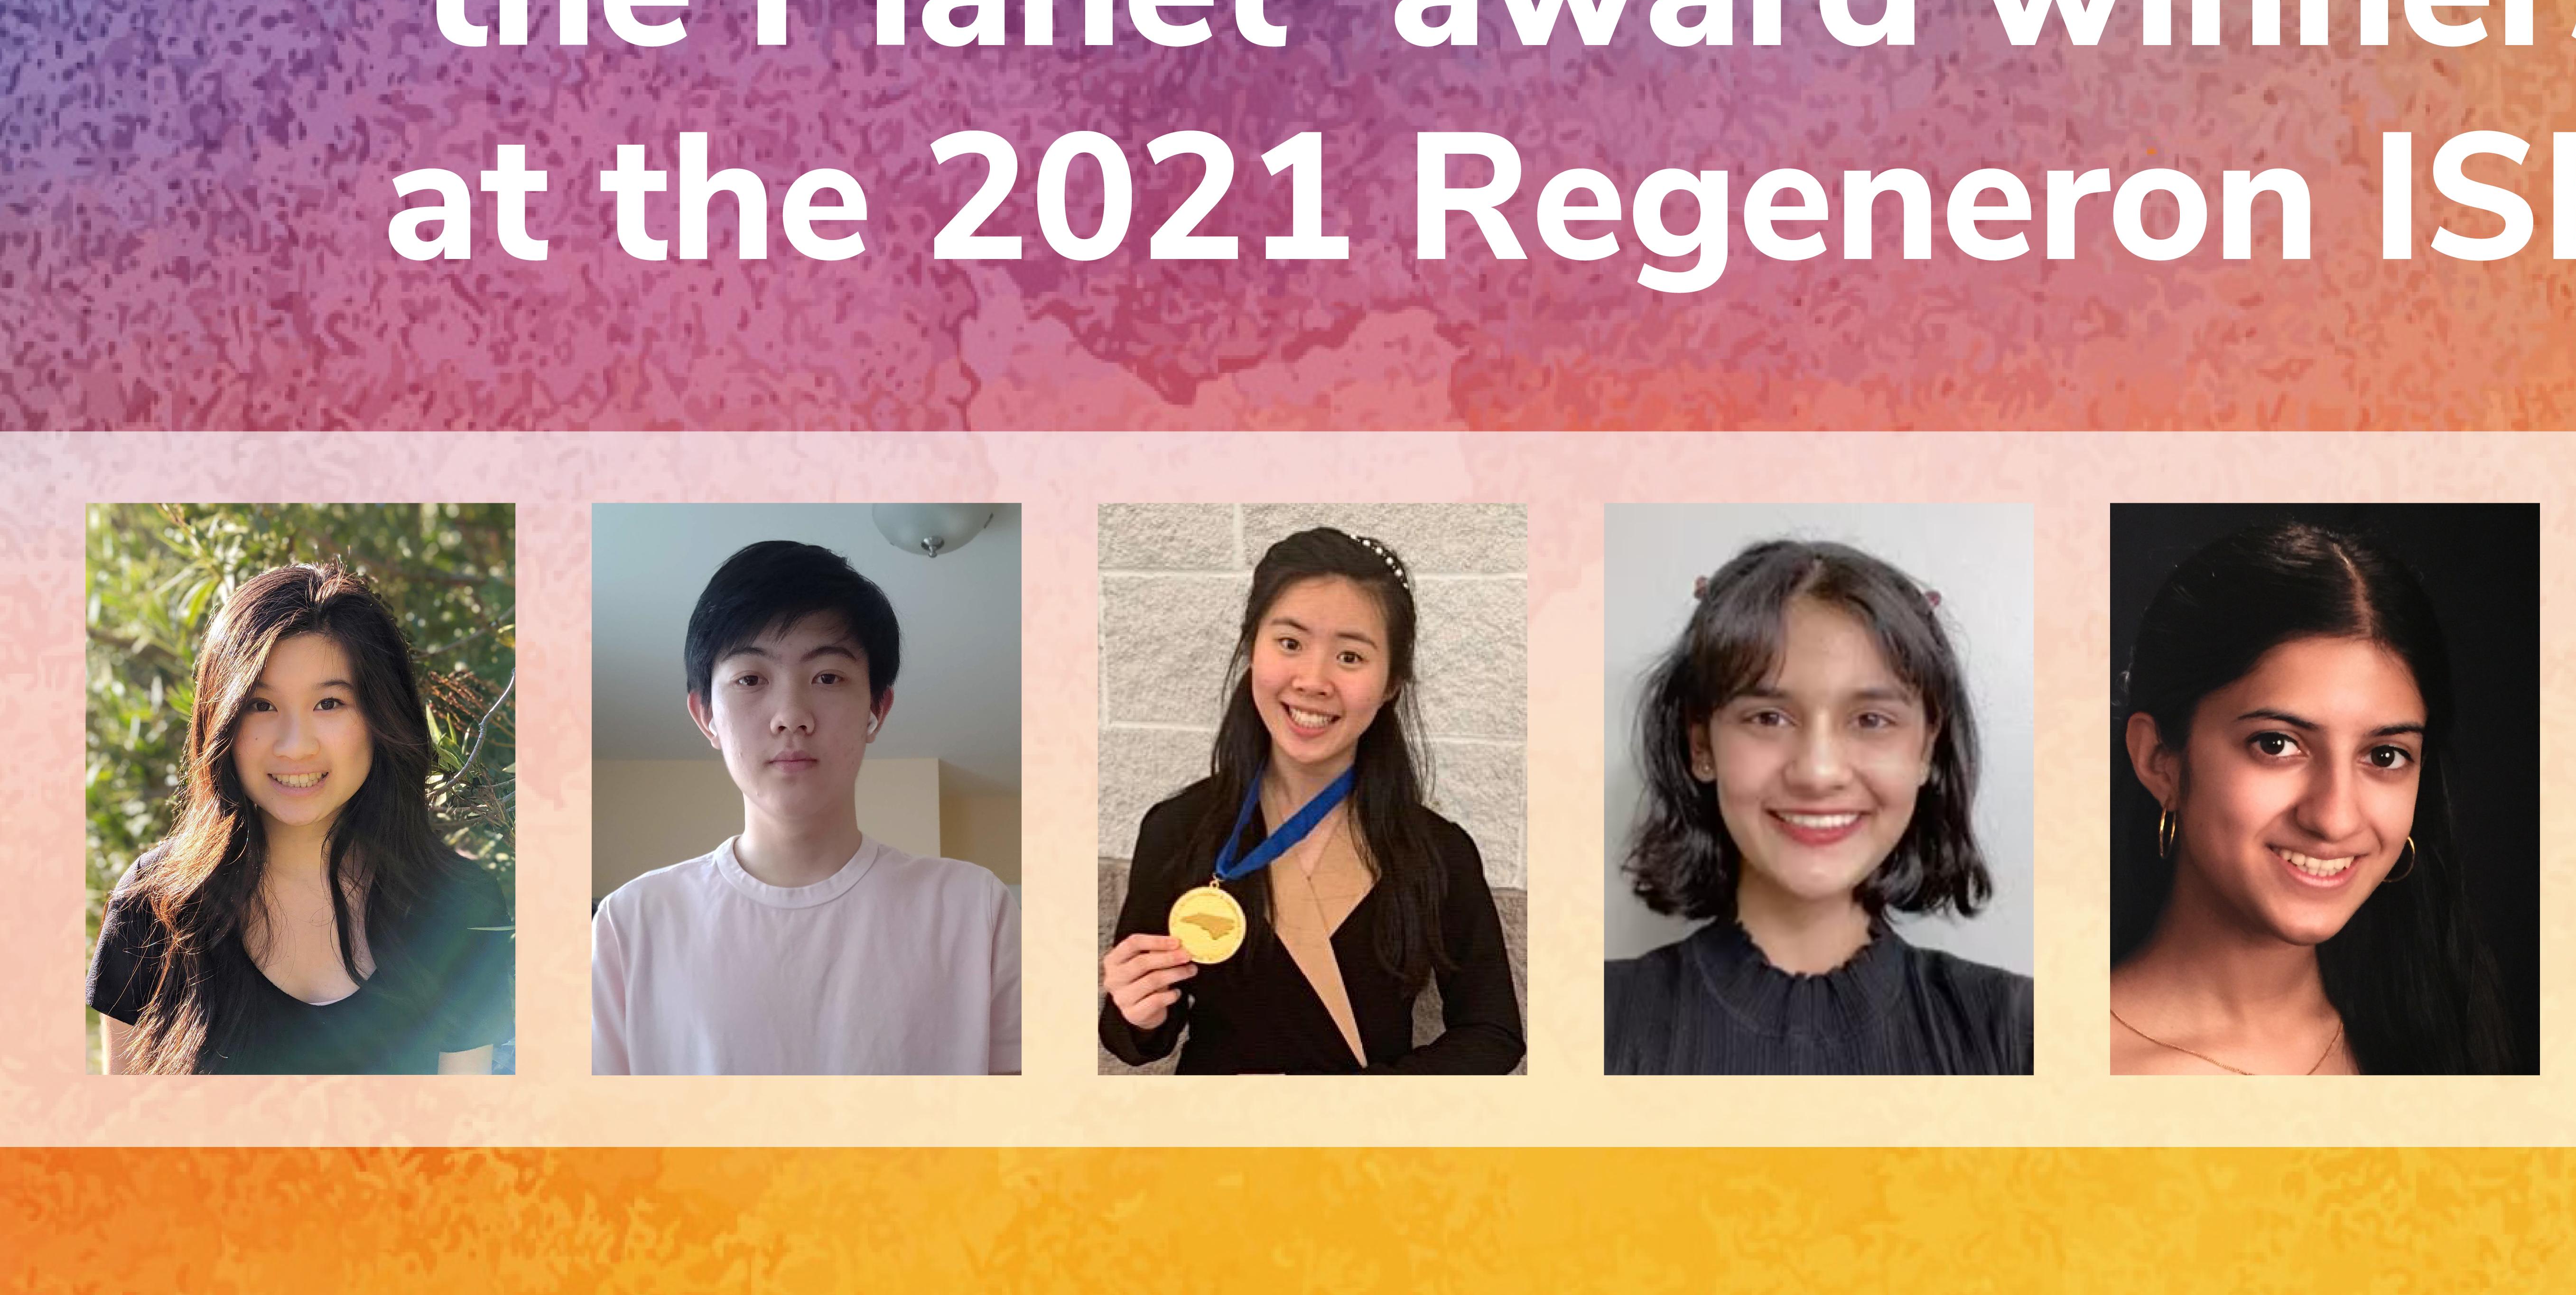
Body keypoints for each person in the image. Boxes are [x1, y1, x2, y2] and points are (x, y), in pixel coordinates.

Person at [1101, 528, 1523, 1073]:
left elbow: (1493, 1030)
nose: (1314, 680)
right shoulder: (1179, 828)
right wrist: (1139, 1012)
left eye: (1350, 655)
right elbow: (1134, 1037)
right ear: (1253, 646)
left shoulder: (1438, 851)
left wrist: (1367, 1109)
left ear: (1392, 682)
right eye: (1291, 643)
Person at [591, 540, 1021, 1074]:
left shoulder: (973, 909)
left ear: (876, 708)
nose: (791, 716)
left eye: (828, 677)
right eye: (751, 679)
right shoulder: (631, 924)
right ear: (706, 716)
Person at [1607, 539, 2033, 1075]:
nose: (1818, 771)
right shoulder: (1601, 1022)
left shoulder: (2020, 1033)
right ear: (1702, 744)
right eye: (1768, 717)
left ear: (1927, 747)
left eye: (1871, 719)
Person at [2109, 521, 2515, 1075]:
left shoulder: (2447, 1029)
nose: (2334, 817)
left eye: (2385, 755)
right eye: (2277, 744)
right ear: (2160, 758)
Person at [91, 564, 511, 1074]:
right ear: (220, 719)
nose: (295, 744)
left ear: (381, 718)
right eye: (261, 704)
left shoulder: (459, 905)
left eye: (329, 702)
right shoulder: (153, 906)